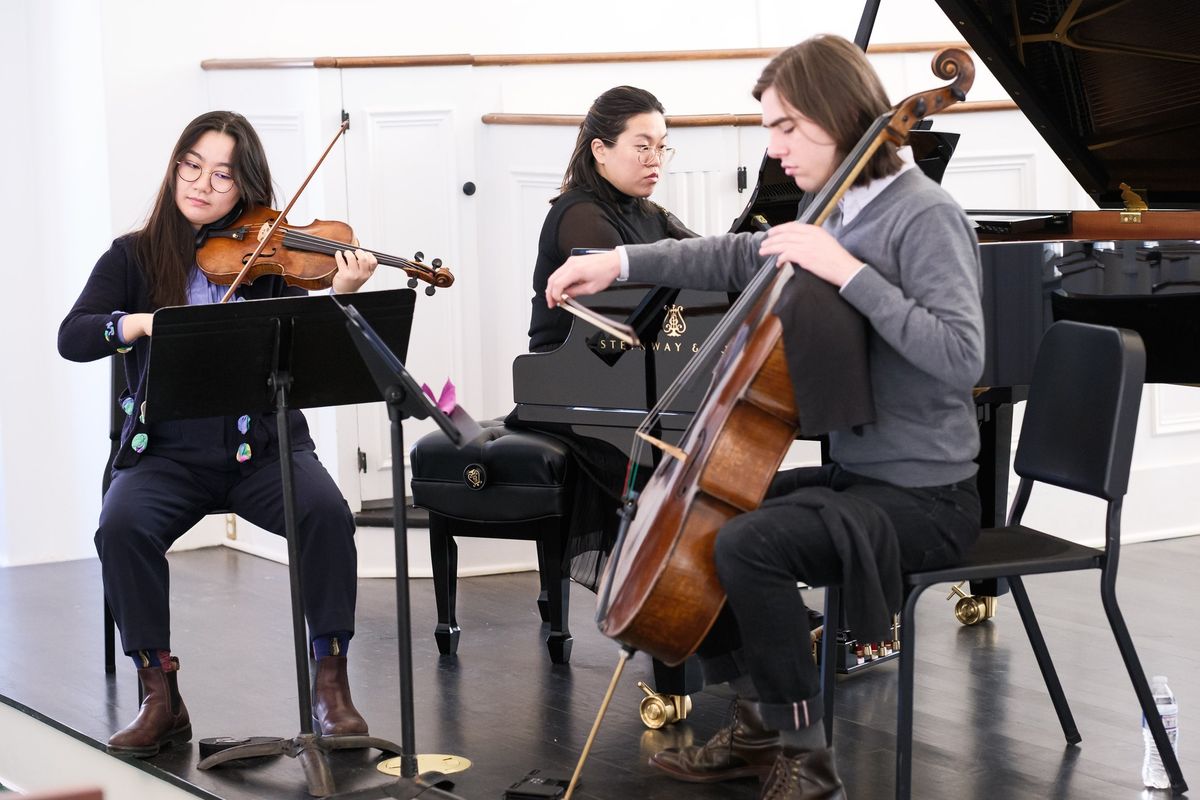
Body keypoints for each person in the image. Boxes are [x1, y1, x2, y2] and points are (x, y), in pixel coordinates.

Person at [545, 35, 984, 799]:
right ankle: (758, 724)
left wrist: (842, 270)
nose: (774, 148)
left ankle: (807, 758)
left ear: (836, 118)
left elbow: (961, 356)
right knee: (705, 531)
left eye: (785, 127)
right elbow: (733, 255)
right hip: (861, 476)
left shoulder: (925, 215)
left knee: (750, 544)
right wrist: (616, 263)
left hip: (927, 499)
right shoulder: (837, 206)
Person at [58, 110, 379, 758]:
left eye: (223, 175)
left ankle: (331, 685)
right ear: (175, 167)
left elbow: (311, 348)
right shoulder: (133, 256)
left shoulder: (270, 256)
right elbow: (73, 335)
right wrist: (136, 323)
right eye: (192, 166)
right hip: (167, 456)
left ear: (247, 190)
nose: (202, 184)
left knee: (325, 513)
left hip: (261, 448)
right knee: (121, 525)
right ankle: (161, 695)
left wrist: (340, 292)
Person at [514, 85, 704, 702]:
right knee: (666, 474)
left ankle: (714, 615)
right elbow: (627, 297)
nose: (655, 159)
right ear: (600, 150)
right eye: (641, 146)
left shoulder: (650, 214)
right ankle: (677, 630)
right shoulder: (577, 213)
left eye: (662, 148)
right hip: (568, 393)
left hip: (631, 380)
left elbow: (700, 262)